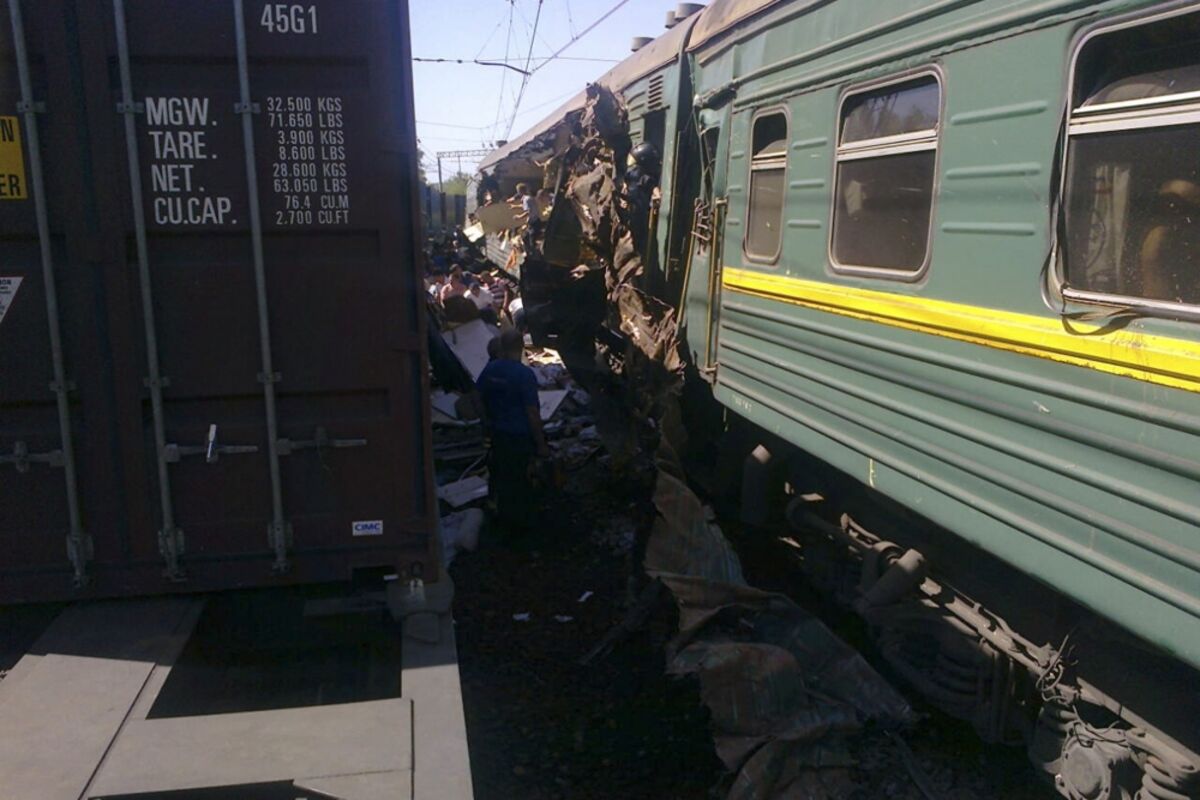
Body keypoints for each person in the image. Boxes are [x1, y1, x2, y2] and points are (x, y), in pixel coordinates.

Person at [476, 328, 549, 534]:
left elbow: (477, 398)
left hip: (497, 435)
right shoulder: (524, 374)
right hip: (519, 437)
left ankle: (498, 516)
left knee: (499, 475)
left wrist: (486, 422)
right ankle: (520, 527)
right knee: (520, 481)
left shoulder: (490, 370)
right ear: (521, 347)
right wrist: (541, 444)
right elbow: (532, 413)